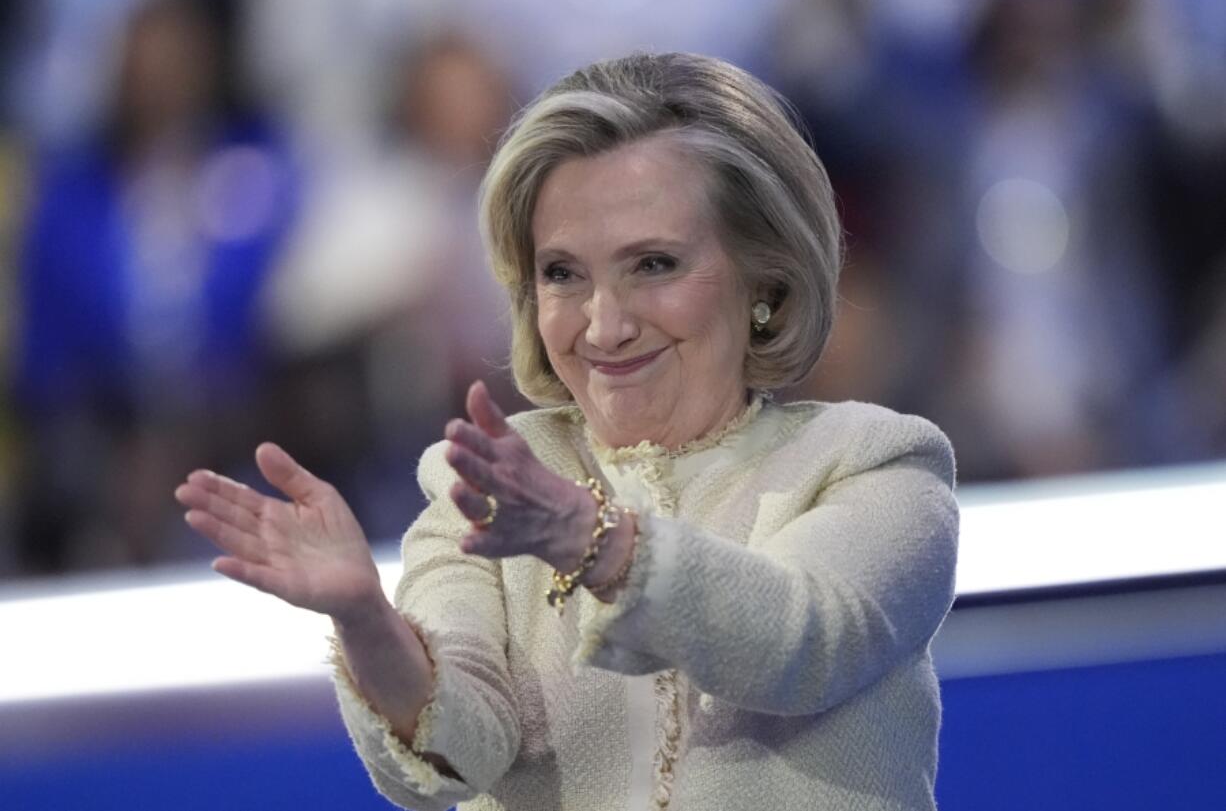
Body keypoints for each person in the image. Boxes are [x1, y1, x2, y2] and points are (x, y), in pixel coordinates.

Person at [175, 52, 959, 811]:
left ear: (767, 274)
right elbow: (455, 752)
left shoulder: (879, 466)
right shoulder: (483, 486)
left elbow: (798, 641)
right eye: (562, 273)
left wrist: (590, 537)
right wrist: (366, 621)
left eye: (653, 264)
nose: (604, 325)